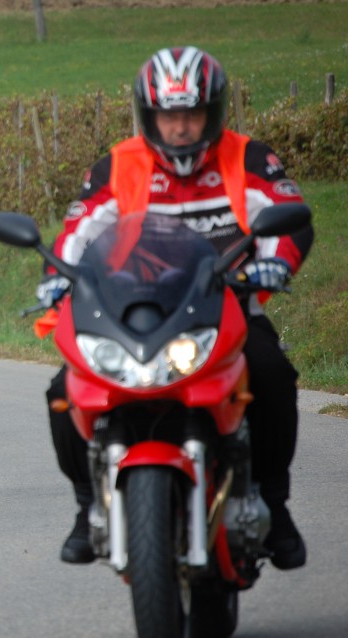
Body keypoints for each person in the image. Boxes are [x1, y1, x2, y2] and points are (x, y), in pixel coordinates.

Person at [41, 47, 313, 570]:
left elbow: (289, 216)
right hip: (134, 311)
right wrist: (56, 278)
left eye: (192, 114)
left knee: (274, 374)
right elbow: (78, 233)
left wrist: (276, 265)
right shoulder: (117, 165)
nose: (182, 127)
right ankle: (85, 508)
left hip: (227, 309)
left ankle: (275, 507)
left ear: (214, 112)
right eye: (170, 115)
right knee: (63, 389)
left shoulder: (249, 157)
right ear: (150, 115)